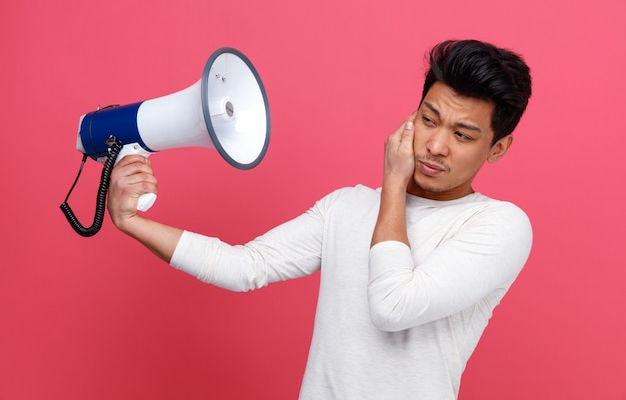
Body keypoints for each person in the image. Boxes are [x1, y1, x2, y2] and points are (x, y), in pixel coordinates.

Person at [107, 39, 533, 400]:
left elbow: (392, 304)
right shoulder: (346, 206)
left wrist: (393, 183)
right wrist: (131, 221)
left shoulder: (498, 225)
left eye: (462, 135)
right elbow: (244, 266)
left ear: (497, 148)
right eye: (428, 119)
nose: (436, 145)